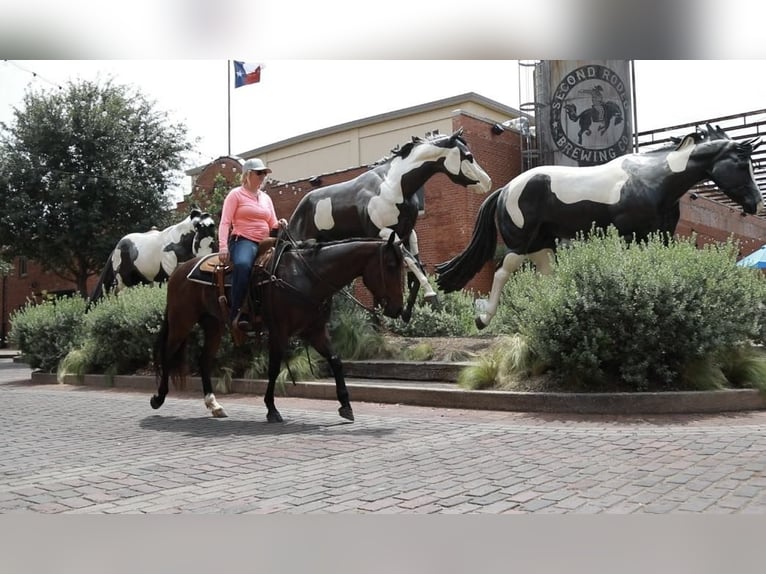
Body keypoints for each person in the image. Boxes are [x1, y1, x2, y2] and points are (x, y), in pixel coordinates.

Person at [218, 157, 286, 332]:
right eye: (259, 173)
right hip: (243, 240)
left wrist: (281, 223)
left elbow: (272, 223)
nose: (263, 177)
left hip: (265, 241)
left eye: (264, 173)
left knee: (286, 261)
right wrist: (223, 247)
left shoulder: (266, 198)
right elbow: (225, 222)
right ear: (248, 175)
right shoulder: (235, 195)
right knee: (243, 265)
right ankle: (237, 312)